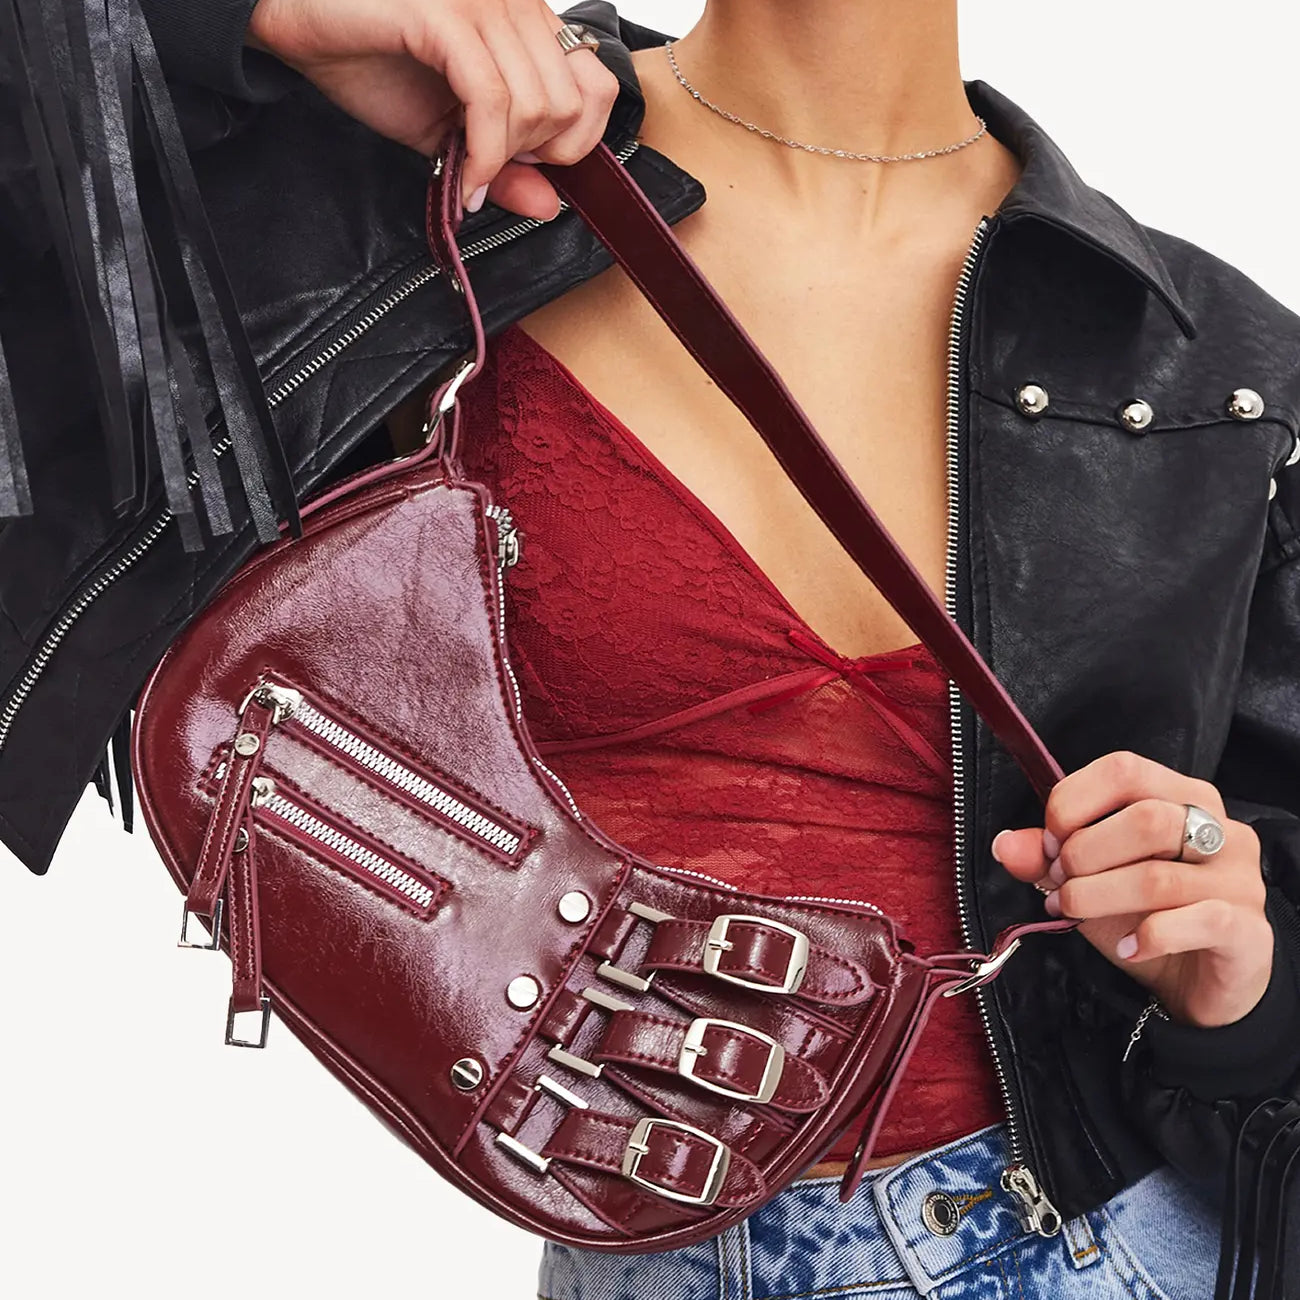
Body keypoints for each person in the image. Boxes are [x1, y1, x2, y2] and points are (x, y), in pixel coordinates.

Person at [3, 3, 1299, 1297]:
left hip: (1112, 1248)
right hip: (630, 1231)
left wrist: (1244, 984)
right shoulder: (441, 170)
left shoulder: (1215, 364)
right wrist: (261, 18)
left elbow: (1267, 948)